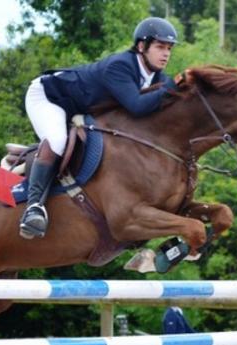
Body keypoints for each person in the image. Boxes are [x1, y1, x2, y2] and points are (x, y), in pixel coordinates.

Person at [19, 17, 179, 239]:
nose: (166, 54)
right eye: (160, 46)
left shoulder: (156, 77)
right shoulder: (121, 66)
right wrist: (171, 88)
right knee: (57, 139)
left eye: (169, 48)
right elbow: (137, 107)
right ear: (142, 46)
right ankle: (33, 207)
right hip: (49, 97)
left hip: (78, 106)